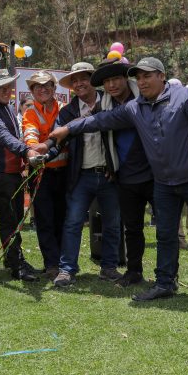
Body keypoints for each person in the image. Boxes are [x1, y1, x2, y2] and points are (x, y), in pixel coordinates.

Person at [50, 57, 188, 309]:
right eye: (139, 77)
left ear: (162, 76)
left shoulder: (185, 97)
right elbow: (99, 120)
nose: (142, 82)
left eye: (147, 76)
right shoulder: (135, 107)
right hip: (163, 183)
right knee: (165, 235)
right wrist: (68, 129)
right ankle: (165, 283)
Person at [50, 62, 122, 287]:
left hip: (110, 174)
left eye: (83, 78)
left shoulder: (110, 101)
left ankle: (109, 267)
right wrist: (42, 152)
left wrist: (117, 166)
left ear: (93, 79)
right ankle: (67, 269)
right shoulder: (67, 111)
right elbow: (57, 141)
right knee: (72, 222)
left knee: (112, 223)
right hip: (81, 176)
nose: (79, 83)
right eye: (74, 80)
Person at [89, 57, 154, 286]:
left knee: (165, 227)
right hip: (125, 175)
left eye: (116, 78)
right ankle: (134, 271)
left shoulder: (147, 99)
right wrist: (109, 163)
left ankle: (168, 276)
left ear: (126, 78)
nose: (112, 85)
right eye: (106, 81)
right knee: (132, 228)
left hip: (155, 173)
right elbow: (101, 137)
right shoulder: (102, 105)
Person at [0, 68, 38, 282]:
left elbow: (16, 136)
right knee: (9, 220)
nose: (7, 90)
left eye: (8, 87)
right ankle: (16, 264)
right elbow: (4, 137)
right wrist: (26, 151)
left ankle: (14, 258)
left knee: (15, 219)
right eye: (1, 88)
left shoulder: (8, 108)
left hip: (13, 174)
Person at [20, 71, 68, 280]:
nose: (43, 89)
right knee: (45, 220)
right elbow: (29, 133)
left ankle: (64, 263)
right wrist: (33, 149)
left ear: (54, 88)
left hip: (65, 171)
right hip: (41, 172)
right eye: (37, 86)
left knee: (64, 219)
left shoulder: (64, 110)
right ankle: (51, 264)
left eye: (47, 85)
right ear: (31, 91)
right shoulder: (30, 112)